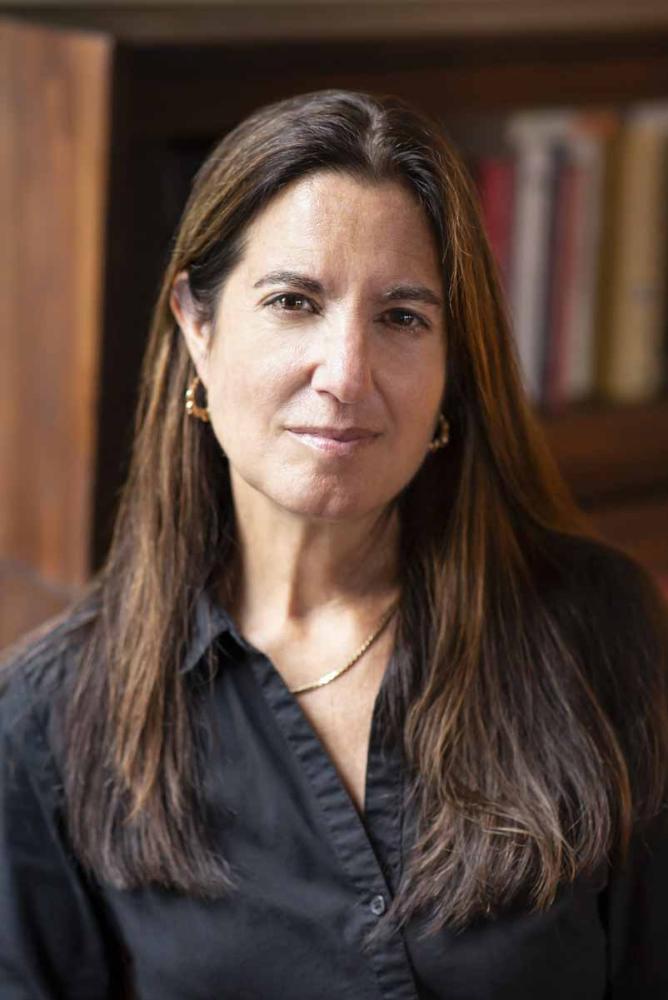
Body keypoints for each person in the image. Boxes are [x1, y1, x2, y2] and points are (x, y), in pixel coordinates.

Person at [1, 88, 667, 1000]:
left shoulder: (600, 628)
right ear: (198, 325)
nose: (346, 375)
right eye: (294, 301)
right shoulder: (45, 725)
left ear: (451, 367)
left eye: (402, 317)